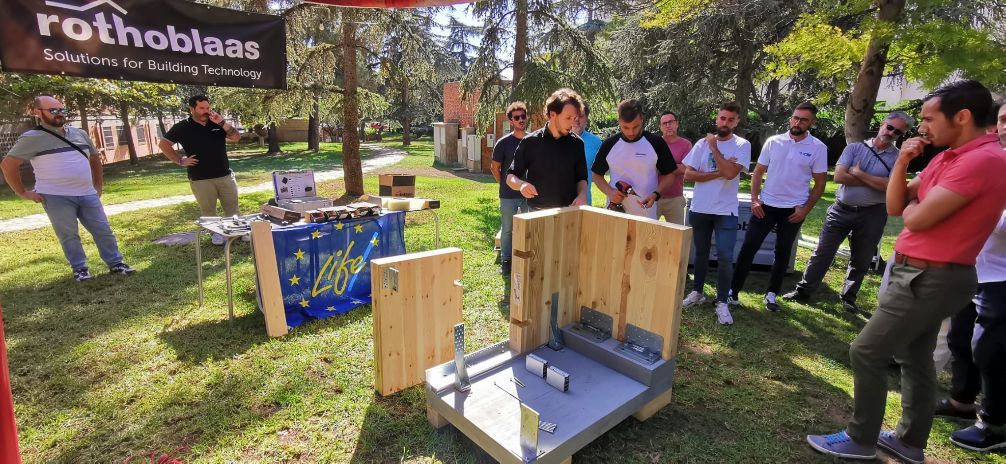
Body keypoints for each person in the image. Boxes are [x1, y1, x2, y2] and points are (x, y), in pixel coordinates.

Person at [807, 80, 1006, 464]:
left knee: (866, 350)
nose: (922, 127)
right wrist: (901, 162)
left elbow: (916, 218)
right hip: (920, 272)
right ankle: (909, 442)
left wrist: (917, 198)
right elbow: (898, 205)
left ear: (962, 117)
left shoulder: (982, 161)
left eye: (930, 118)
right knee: (915, 356)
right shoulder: (950, 157)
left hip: (931, 276)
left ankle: (860, 438)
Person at [782, 112, 914, 313]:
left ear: (901, 134)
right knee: (822, 253)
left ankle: (848, 298)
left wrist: (859, 173)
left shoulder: (898, 158)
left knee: (861, 259)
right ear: (882, 124)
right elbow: (840, 177)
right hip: (841, 210)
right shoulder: (854, 148)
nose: (891, 133)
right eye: (890, 127)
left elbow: (892, 187)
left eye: (897, 131)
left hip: (873, 213)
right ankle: (804, 291)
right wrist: (877, 182)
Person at [934, 101, 1006, 453]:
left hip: (1003, 277)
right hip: (975, 267)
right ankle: (962, 401)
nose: (1005, 127)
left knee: (990, 349)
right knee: (961, 338)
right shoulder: (992, 163)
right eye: (1004, 119)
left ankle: (995, 423)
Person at [0, 96, 135, 281]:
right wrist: (22, 192)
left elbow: (95, 159)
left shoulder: (79, 134)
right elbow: (8, 165)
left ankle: (116, 263)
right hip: (55, 196)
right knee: (69, 235)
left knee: (103, 230)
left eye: (62, 110)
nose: (60, 114)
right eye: (53, 111)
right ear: (38, 112)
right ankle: (80, 269)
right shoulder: (31, 138)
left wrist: (97, 185)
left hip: (87, 194)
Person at [730, 102, 828, 312]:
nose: (797, 122)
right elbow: (758, 172)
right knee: (748, 249)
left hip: (793, 210)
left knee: (783, 252)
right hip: (765, 206)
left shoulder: (818, 148)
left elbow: (820, 183)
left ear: (812, 122)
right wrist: (755, 199)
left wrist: (805, 210)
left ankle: (771, 294)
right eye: (795, 117)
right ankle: (733, 292)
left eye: (803, 120)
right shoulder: (774, 142)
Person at [680, 102, 752, 325]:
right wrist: (718, 172)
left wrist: (714, 149)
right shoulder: (701, 144)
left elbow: (731, 174)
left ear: (737, 121)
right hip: (700, 208)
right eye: (722, 118)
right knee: (700, 253)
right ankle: (698, 292)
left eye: (731, 119)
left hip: (725, 210)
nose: (725, 123)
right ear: (717, 118)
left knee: (724, 256)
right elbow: (688, 175)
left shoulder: (742, 144)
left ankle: (722, 301)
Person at [159, 95, 242, 245]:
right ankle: (216, 234)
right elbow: (164, 144)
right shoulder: (182, 126)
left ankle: (235, 232)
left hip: (224, 175)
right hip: (201, 178)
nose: (206, 111)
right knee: (209, 210)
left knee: (232, 207)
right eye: (202, 108)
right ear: (192, 109)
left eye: (208, 108)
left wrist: (222, 122)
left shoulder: (216, 122)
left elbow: (236, 137)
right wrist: (180, 161)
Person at [591, 99, 679, 219]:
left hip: (646, 214)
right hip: (615, 212)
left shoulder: (656, 142)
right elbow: (596, 175)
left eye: (635, 126)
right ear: (619, 122)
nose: (631, 132)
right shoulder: (609, 144)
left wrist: (656, 194)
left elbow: (670, 175)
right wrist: (610, 192)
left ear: (642, 120)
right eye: (625, 127)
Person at [506, 88, 588, 210]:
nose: (573, 123)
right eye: (568, 118)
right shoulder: (530, 142)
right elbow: (510, 177)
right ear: (553, 114)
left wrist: (582, 195)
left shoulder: (577, 143)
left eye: (574, 118)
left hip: (569, 212)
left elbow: (581, 178)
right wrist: (521, 185)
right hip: (537, 213)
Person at [491, 101, 529, 276]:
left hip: (530, 195)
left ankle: (528, 258)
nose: (521, 120)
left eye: (523, 116)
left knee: (531, 227)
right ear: (511, 121)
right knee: (507, 229)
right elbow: (495, 167)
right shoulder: (503, 143)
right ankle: (506, 260)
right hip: (508, 196)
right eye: (517, 117)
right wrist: (504, 184)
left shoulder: (533, 141)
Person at [656, 111, 692, 224]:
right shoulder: (654, 143)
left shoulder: (686, 144)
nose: (668, 125)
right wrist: (675, 166)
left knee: (677, 236)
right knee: (646, 234)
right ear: (660, 127)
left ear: (677, 124)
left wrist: (661, 166)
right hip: (653, 196)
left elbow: (686, 169)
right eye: (664, 123)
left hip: (675, 198)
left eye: (671, 122)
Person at [572, 102, 602, 206]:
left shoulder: (596, 143)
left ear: (587, 118)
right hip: (558, 204)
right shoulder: (556, 140)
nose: (576, 120)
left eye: (580, 116)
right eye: (573, 116)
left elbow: (602, 173)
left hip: (585, 202)